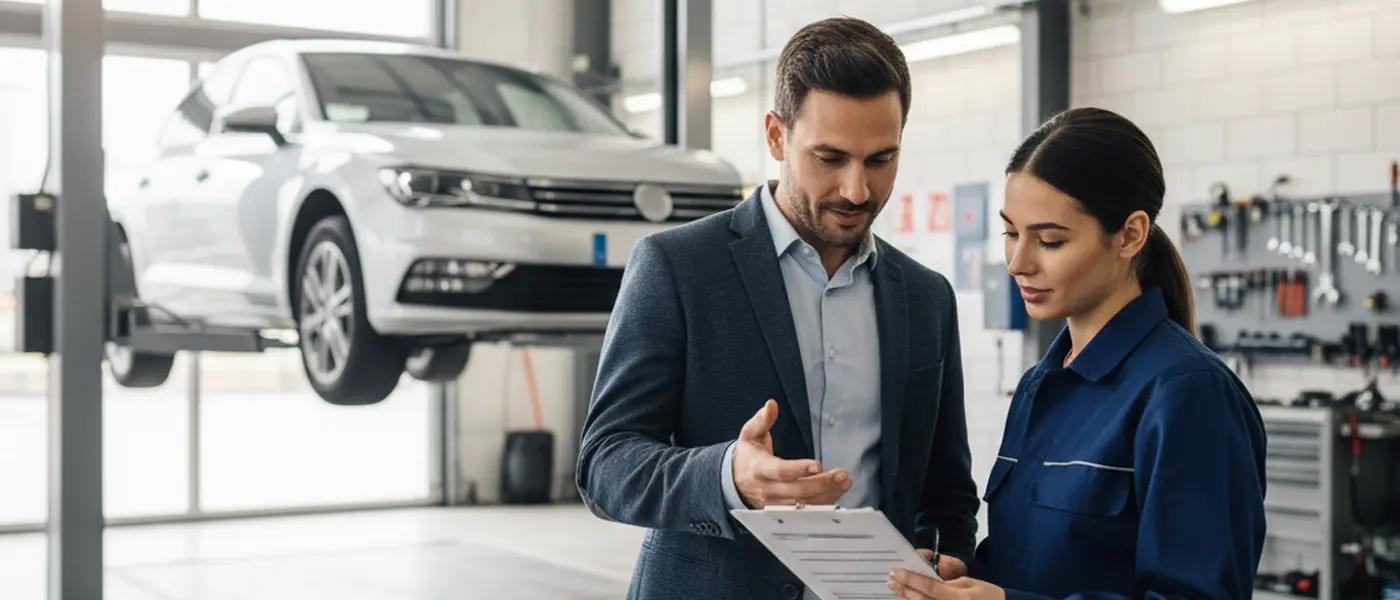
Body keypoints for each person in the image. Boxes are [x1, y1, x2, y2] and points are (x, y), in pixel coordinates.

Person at [575, 16, 981, 600]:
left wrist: (942, 556)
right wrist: (728, 476)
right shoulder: (680, 267)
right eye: (830, 157)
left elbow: (946, 491)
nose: (856, 190)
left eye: (880, 159)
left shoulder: (926, 297)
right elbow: (605, 464)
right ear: (775, 136)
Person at [887, 107, 1269, 600]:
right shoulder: (1038, 386)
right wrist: (960, 577)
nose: (1019, 262)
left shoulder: (1189, 394)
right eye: (1011, 233)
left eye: (1050, 240)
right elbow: (1037, 561)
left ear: (1130, 234)